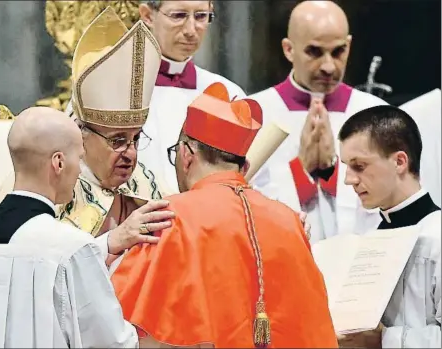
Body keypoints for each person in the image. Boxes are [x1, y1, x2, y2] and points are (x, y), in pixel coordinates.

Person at [110, 82, 338, 348]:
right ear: (246, 165)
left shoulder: (167, 217)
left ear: (185, 155)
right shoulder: (290, 220)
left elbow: (114, 321)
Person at [0, 107, 156, 348]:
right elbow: (112, 343)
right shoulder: (71, 250)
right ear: (59, 163)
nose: (79, 170)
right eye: (79, 158)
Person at [0, 7, 174, 263]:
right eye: (117, 141)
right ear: (81, 135)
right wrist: (110, 243)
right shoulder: (45, 181)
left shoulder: (145, 183)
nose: (130, 154)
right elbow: (26, 267)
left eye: (135, 139)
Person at [247, 0, 388, 244]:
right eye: (314, 51)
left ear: (349, 45)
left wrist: (332, 171)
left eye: (338, 51)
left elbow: (388, 199)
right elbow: (245, 203)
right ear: (288, 49)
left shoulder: (375, 113)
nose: (328, 66)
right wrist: (300, 172)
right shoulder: (254, 112)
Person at [338, 105, 441, 348]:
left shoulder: (436, 237)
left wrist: (385, 339)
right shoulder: (369, 240)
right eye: (346, 166)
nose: (348, 179)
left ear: (399, 161)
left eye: (359, 166)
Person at [133, 0, 248, 192]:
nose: (191, 30)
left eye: (201, 16)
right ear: (147, 15)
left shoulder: (229, 94)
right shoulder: (116, 86)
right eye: (178, 15)